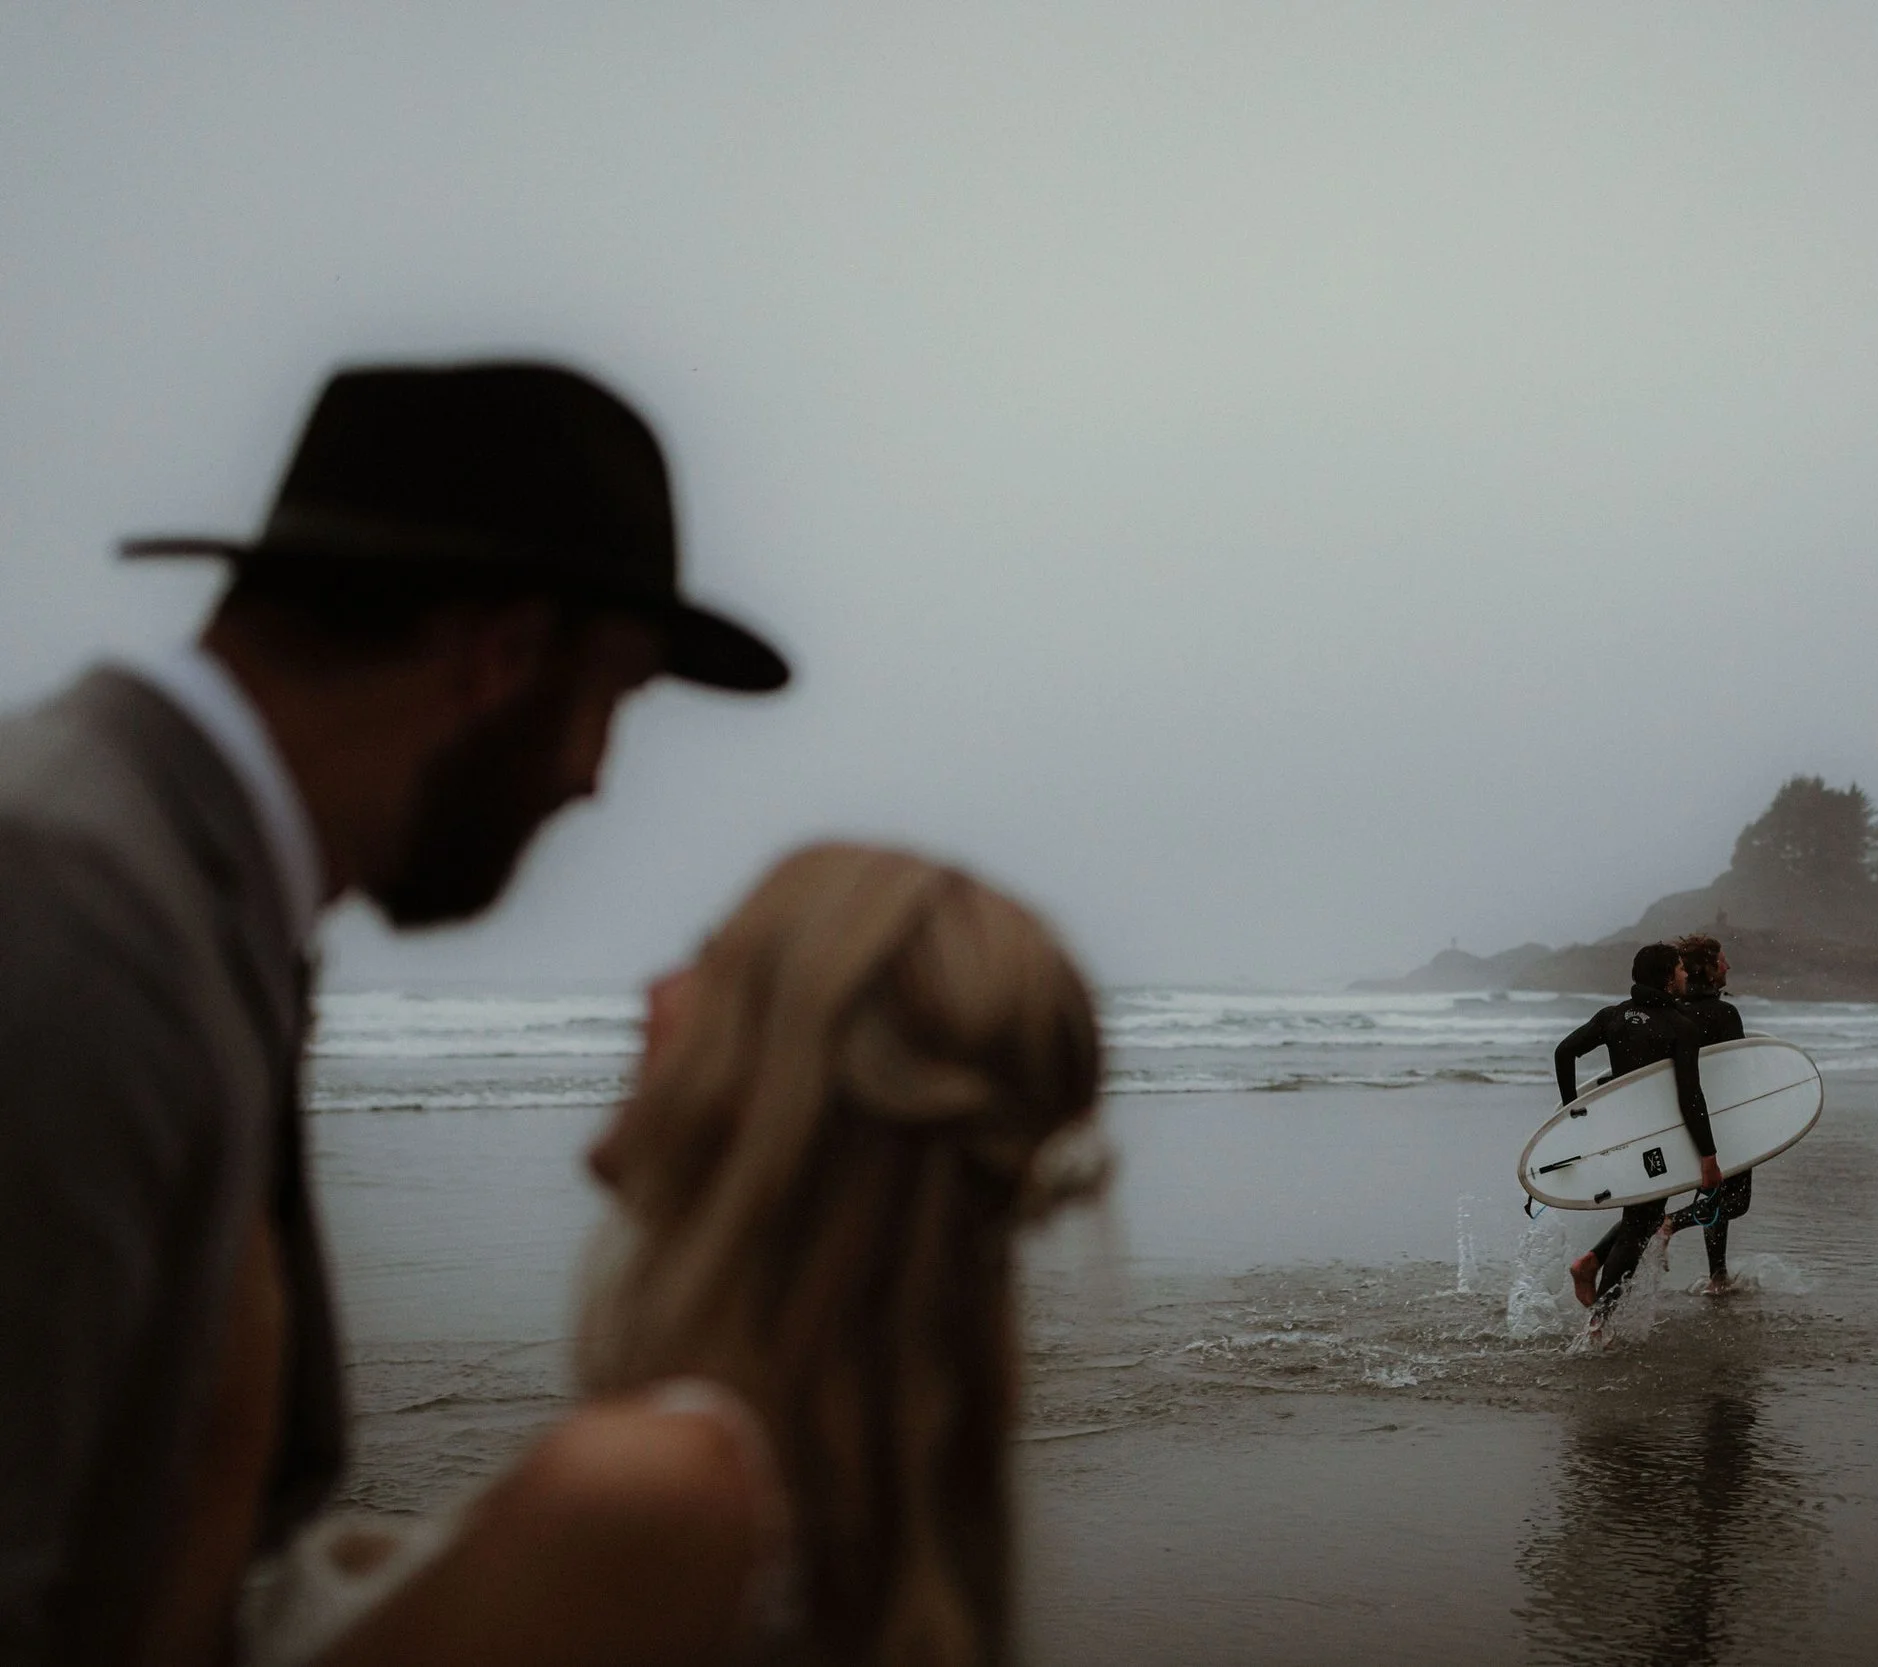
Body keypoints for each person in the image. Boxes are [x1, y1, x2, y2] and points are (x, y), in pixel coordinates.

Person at [0, 361, 787, 1666]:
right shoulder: (74, 903)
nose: (595, 776)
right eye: (613, 697)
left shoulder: (178, 893)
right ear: (502, 655)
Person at [238, 844, 1107, 1667]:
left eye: (709, 964)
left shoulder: (653, 1487)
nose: (652, 991)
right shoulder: (850, 1466)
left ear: (783, 1075)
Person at [1553, 943, 1714, 1320]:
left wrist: (1572, 1111)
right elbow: (1690, 1097)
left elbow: (1564, 1052)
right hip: (1657, 1139)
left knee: (1641, 1218)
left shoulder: (1613, 1016)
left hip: (1622, 1135)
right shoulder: (1680, 1026)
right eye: (1680, 968)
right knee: (1639, 1226)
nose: (1685, 974)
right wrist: (1708, 1155)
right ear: (1667, 977)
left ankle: (1590, 1266)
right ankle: (1599, 1320)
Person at [1658, 934, 1751, 1294]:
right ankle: (1671, 1223)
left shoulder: (1674, 1012)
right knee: (1735, 1201)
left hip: (1687, 1119)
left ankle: (1718, 1276)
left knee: (1715, 1194)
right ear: (1709, 969)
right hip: (1724, 1117)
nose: (1728, 966)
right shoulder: (1724, 1014)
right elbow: (1735, 1069)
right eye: (1722, 960)